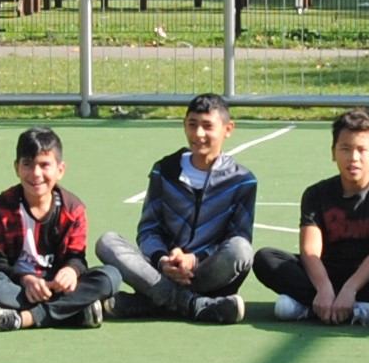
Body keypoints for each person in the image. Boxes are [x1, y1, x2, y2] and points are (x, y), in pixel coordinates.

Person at [253, 108, 369, 328]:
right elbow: (310, 251)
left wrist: (350, 289)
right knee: (266, 259)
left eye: (361, 150)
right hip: (329, 272)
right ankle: (362, 310)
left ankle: (309, 308)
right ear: (333, 152)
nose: (353, 158)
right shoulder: (316, 194)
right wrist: (324, 288)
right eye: (345, 149)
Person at [98, 92, 259, 325]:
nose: (198, 134)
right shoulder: (165, 170)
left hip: (207, 273)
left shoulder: (243, 180)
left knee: (241, 250)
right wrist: (164, 260)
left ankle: (152, 301)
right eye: (192, 125)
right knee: (107, 242)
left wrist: (193, 260)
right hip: (163, 269)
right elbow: (149, 230)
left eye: (207, 126)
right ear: (184, 125)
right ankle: (194, 305)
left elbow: (237, 236)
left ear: (228, 129)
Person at [0, 126, 112, 332]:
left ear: (60, 170)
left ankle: (22, 318)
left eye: (44, 165)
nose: (36, 173)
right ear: (16, 167)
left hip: (57, 288)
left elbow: (77, 257)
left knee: (110, 277)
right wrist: (26, 280)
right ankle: (74, 312)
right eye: (27, 164)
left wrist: (71, 271)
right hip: (18, 286)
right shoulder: (1, 206)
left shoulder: (74, 209)